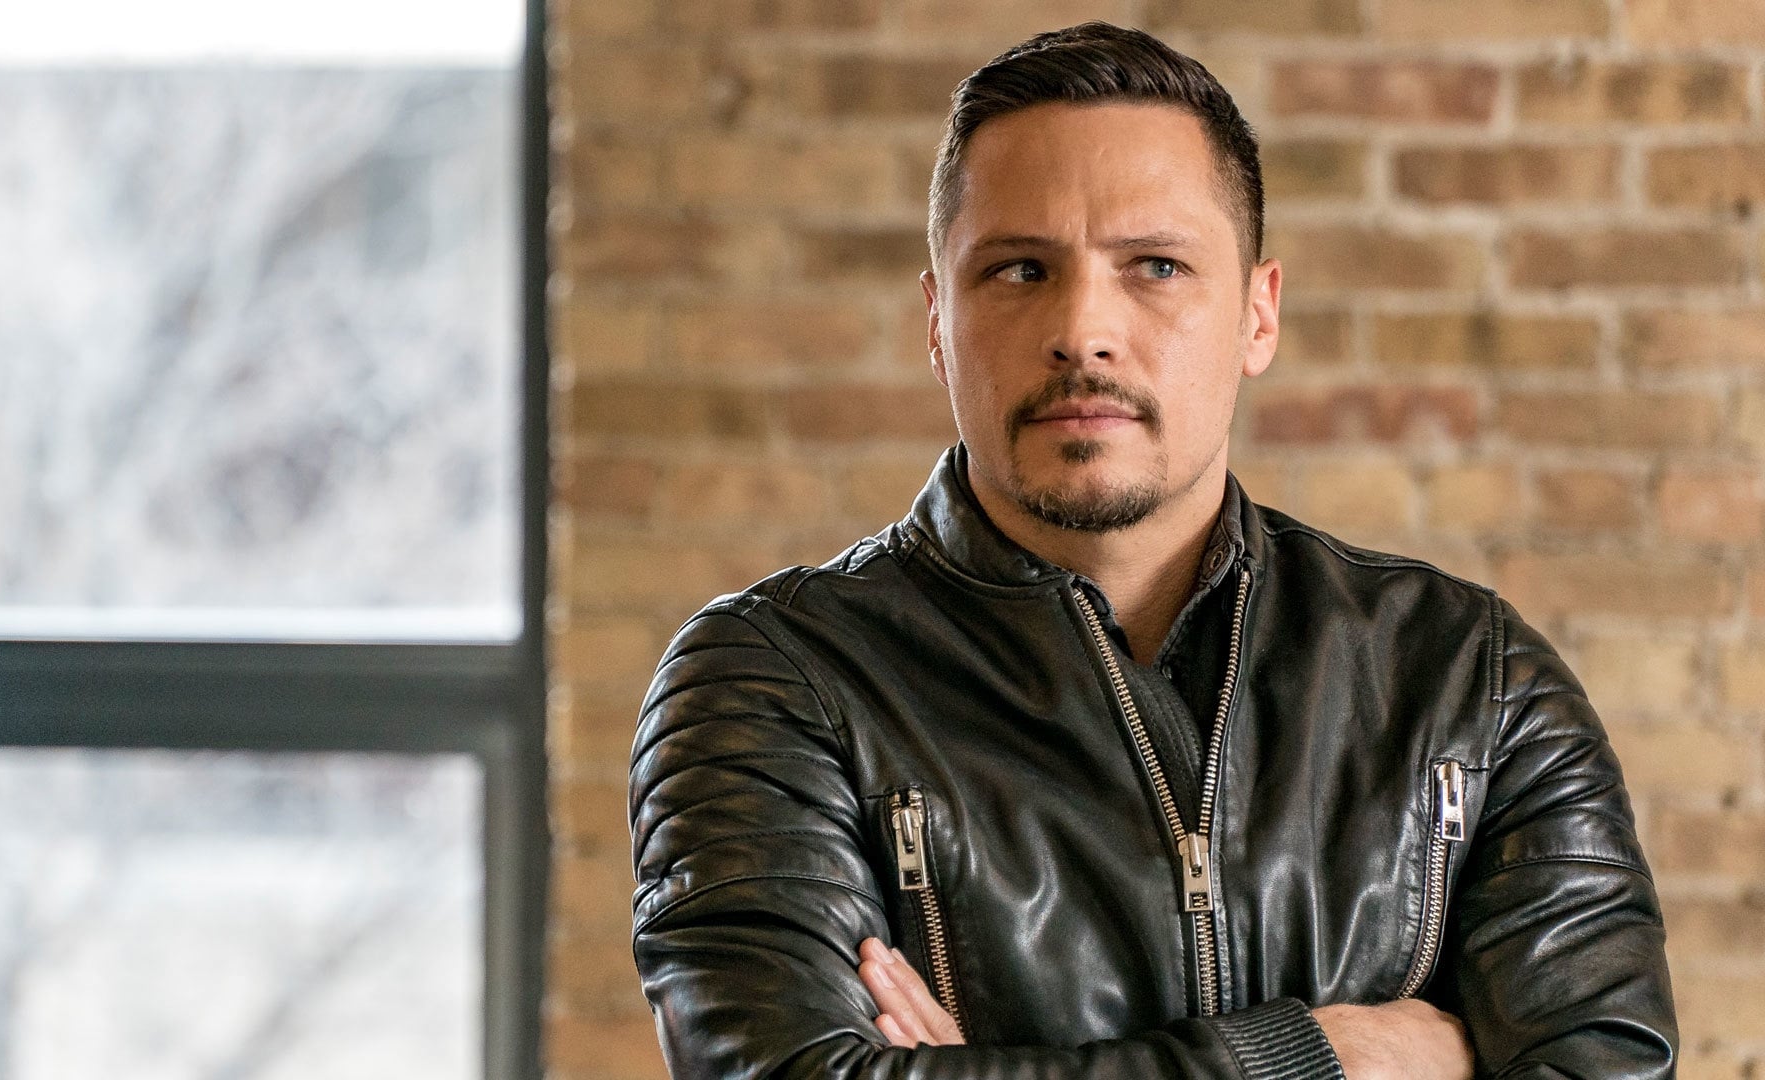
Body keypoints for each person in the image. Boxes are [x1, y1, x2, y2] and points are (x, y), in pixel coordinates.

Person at [629, 22, 1677, 1080]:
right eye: (1020, 269)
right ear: (938, 321)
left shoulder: (1469, 684)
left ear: (1258, 315)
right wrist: (1320, 1057)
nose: (1083, 329)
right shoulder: (772, 682)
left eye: (1157, 267)